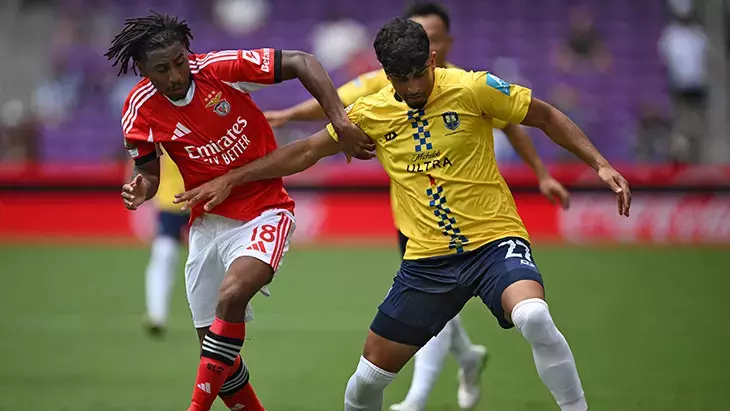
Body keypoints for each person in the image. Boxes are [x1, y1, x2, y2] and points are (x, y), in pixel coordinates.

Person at [175, 18, 631, 411]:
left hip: (495, 243)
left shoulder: (473, 87)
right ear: (385, 73)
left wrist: (601, 164)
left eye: (418, 75)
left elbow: (545, 116)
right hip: (426, 262)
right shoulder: (371, 111)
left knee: (533, 315)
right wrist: (232, 178)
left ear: (432, 60)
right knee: (364, 385)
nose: (412, 88)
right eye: (400, 78)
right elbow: (305, 152)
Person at [264, 3, 570, 410]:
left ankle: (417, 398)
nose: (410, 84)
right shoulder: (380, 89)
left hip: (484, 232)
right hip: (416, 225)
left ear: (437, 48)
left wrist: (542, 173)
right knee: (433, 316)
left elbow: (518, 122)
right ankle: (466, 358)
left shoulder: (470, 86)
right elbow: (333, 107)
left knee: (480, 313)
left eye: (435, 36)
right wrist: (288, 116)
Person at [107, 11, 372, 411]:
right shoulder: (139, 110)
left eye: (180, 62)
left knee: (231, 296)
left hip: (265, 209)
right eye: (162, 69)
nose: (176, 75)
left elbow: (303, 62)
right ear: (143, 71)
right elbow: (149, 173)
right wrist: (141, 188)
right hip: (207, 222)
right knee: (218, 356)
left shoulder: (219, 70)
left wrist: (341, 121)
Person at [142, 152, 189, 337]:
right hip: (170, 202)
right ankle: (156, 315)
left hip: (202, 200)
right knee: (164, 255)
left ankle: (217, 316)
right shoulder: (161, 136)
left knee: (210, 260)